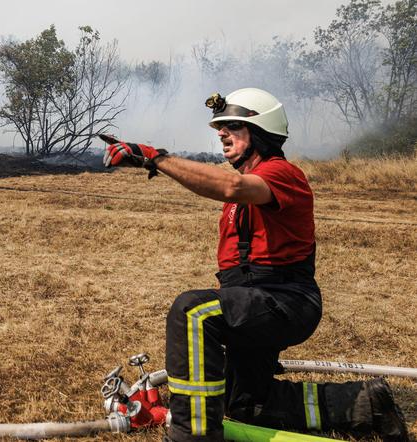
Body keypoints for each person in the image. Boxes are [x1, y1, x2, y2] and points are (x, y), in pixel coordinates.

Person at [103, 88, 408, 442]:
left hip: (285, 300)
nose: (221, 134)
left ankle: (193, 435)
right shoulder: (241, 195)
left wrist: (156, 158)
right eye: (220, 127)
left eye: (232, 126)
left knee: (192, 311)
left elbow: (232, 186)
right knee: (245, 402)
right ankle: (366, 403)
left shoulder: (281, 174)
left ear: (260, 133)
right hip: (252, 301)